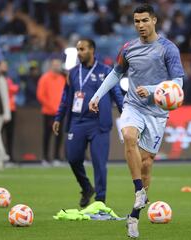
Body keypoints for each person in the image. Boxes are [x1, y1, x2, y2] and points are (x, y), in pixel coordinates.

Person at [89, 4, 184, 238]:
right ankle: (139, 190)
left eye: (144, 20)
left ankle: (134, 216)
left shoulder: (168, 49)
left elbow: (178, 84)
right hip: (132, 105)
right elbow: (115, 73)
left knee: (146, 163)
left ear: (154, 21)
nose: (140, 25)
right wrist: (97, 95)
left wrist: (152, 90)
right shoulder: (128, 48)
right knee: (129, 136)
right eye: (136, 21)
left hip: (157, 113)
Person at [53, 38, 123, 208]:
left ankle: (100, 202)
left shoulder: (106, 71)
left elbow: (117, 94)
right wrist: (58, 117)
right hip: (77, 122)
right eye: (78, 49)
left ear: (92, 50)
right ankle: (86, 187)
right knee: (73, 158)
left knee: (99, 163)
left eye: (82, 49)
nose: (79, 52)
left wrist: (126, 114)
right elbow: (66, 97)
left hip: (99, 124)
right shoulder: (73, 72)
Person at [36, 58, 66, 166]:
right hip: (48, 112)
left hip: (59, 113)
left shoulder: (62, 78)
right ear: (50, 66)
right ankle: (45, 157)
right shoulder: (44, 78)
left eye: (58, 64)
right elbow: (40, 95)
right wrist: (52, 107)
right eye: (55, 64)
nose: (57, 66)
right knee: (47, 135)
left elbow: (65, 94)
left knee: (59, 135)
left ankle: (57, 157)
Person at [0, 60, 19, 163]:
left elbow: (15, 89)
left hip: (11, 109)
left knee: (9, 134)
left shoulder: (9, 78)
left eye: (6, 66)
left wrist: (10, 88)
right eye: (3, 66)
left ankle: (9, 156)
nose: (4, 68)